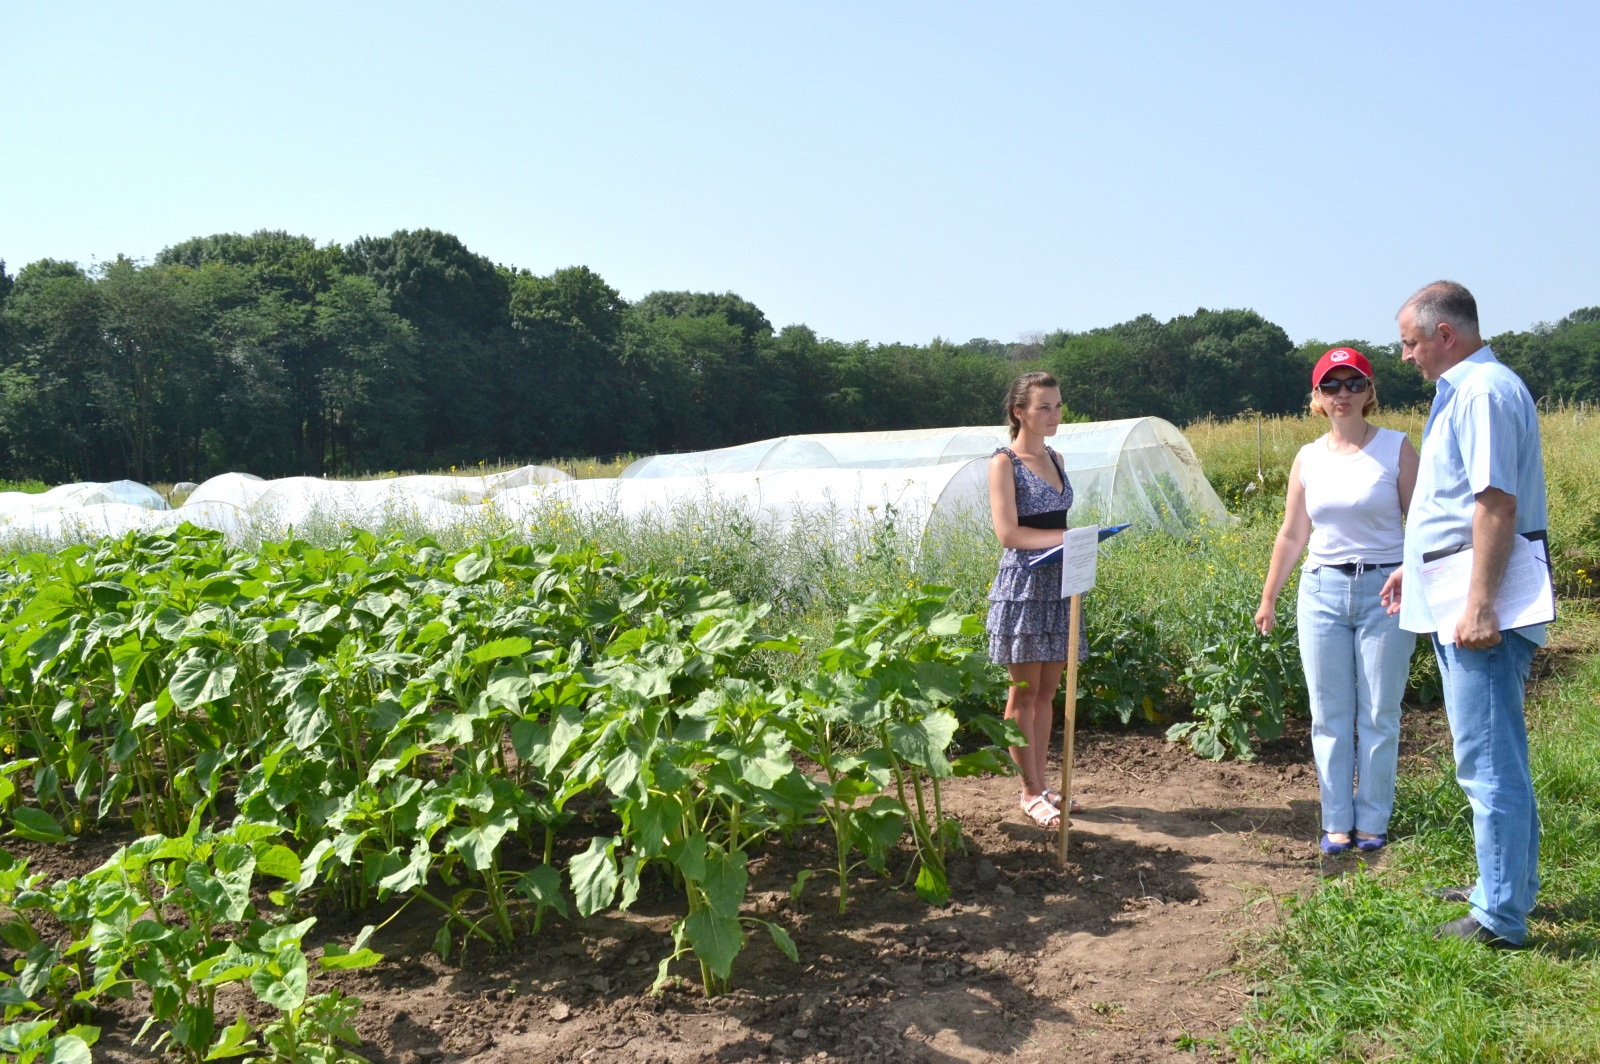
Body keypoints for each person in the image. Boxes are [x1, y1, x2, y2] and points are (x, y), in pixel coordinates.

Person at [1380, 281, 1548, 949]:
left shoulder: (1481, 393)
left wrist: (1480, 604)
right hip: (1455, 589)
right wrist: (1412, 560)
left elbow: (1496, 505)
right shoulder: (1469, 389)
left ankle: (1500, 915)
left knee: (1487, 760)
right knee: (1497, 751)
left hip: (1481, 608)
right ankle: (1502, 883)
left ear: (1446, 335)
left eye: (1411, 342)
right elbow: (1456, 505)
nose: (1405, 356)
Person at [1256, 348, 1419, 856]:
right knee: (1328, 713)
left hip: (1385, 593)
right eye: (1332, 386)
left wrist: (1411, 571)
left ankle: (1373, 820)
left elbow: (1422, 524)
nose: (1343, 394)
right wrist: (1268, 598)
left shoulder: (1396, 448)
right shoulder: (1308, 457)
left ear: (1370, 392)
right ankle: (1336, 821)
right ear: (1318, 399)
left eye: (1353, 383)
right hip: (1322, 591)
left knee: (1379, 711)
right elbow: (1292, 534)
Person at [987, 371, 1086, 831]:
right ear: (1019, 411)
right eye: (1044, 406)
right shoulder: (1004, 462)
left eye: (1059, 405)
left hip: (1060, 584)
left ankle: (1043, 784)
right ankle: (1028, 792)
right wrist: (1069, 538)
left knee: (1048, 692)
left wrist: (1077, 546)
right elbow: (1008, 533)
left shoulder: (1057, 456)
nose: (1055, 415)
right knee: (1023, 694)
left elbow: (1055, 523)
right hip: (1025, 587)